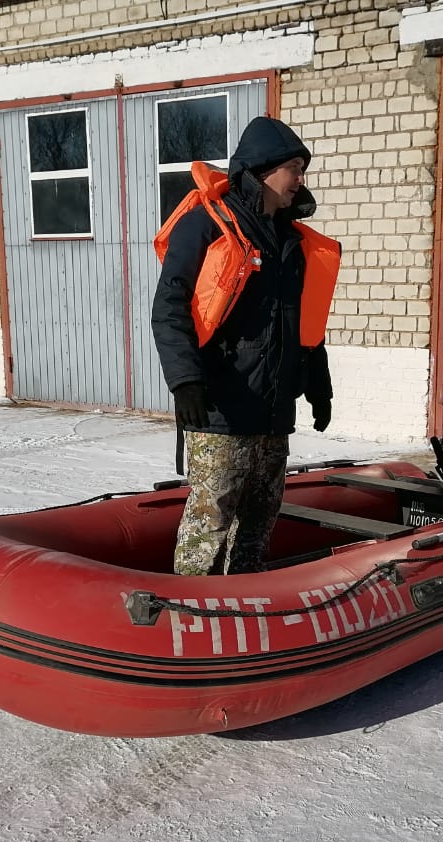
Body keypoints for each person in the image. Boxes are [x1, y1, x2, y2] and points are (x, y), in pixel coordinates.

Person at [151, 116, 340, 576]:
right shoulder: (206, 225)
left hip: (273, 413)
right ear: (261, 169)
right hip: (220, 410)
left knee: (259, 522)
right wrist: (186, 381)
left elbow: (302, 325)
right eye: (294, 167)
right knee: (209, 525)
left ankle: (246, 609)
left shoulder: (291, 243)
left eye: (302, 169)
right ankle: (191, 614)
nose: (300, 179)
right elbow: (169, 309)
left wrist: (318, 381)